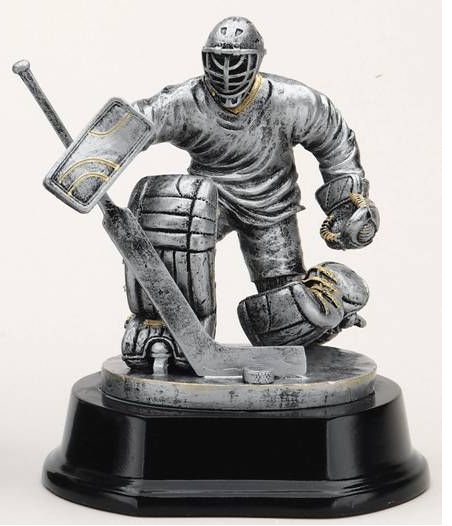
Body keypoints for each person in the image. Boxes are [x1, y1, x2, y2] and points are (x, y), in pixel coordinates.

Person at [122, 16, 379, 370]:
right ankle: (166, 330)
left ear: (256, 61)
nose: (227, 70)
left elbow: (333, 138)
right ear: (206, 58)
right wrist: (94, 157)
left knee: (284, 314)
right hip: (207, 202)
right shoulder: (186, 102)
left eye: (236, 61)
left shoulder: (291, 101)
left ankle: (329, 303)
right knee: (169, 241)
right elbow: (140, 120)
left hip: (271, 207)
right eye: (219, 60)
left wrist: (347, 202)